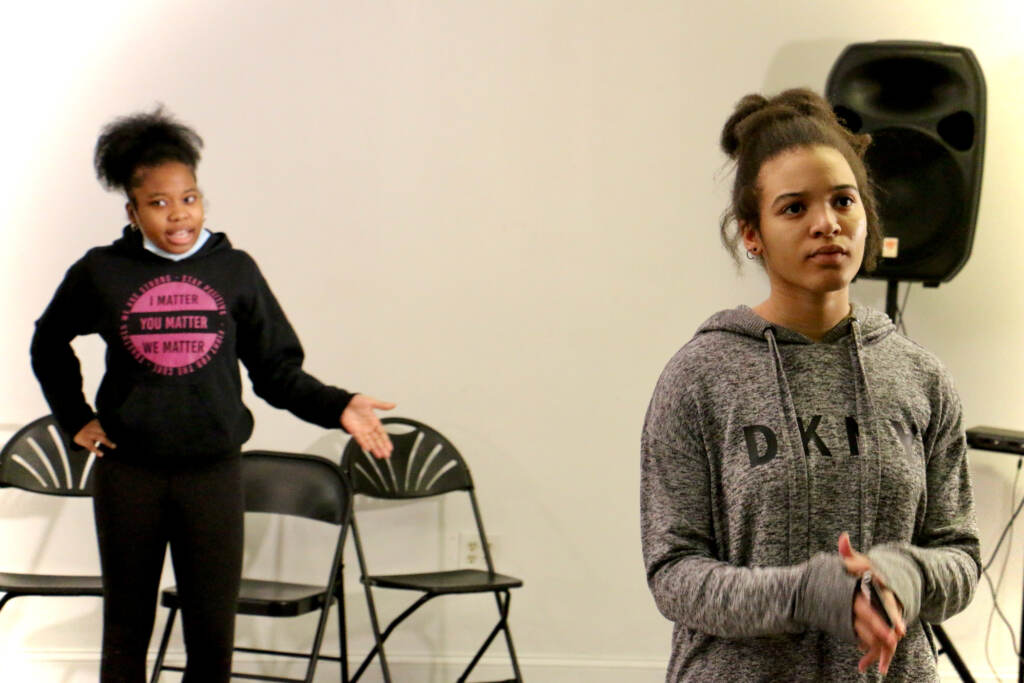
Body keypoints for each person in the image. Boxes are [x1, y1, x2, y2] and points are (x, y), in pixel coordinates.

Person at [30, 107, 395, 683]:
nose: (179, 213)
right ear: (132, 211)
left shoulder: (235, 271)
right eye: (159, 202)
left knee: (210, 631)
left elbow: (275, 371)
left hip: (213, 473)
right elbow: (48, 341)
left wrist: (337, 404)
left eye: (190, 198)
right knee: (126, 626)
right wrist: (76, 418)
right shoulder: (103, 272)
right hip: (129, 475)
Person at [640, 89, 980, 681]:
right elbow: (673, 572)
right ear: (752, 234)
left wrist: (904, 575)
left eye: (843, 200)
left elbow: (961, 556)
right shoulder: (698, 378)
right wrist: (808, 594)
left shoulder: (921, 378)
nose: (827, 224)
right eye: (794, 208)